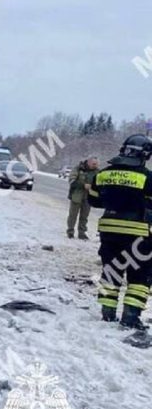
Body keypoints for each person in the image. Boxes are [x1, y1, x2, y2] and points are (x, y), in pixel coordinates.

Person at [87, 135, 152, 330]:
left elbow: (94, 201)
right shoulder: (147, 177)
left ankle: (107, 314)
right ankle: (130, 317)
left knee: (111, 271)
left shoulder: (103, 174)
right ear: (145, 155)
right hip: (138, 234)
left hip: (108, 231)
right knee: (140, 276)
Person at [66, 156, 99, 239]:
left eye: (96, 164)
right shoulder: (77, 169)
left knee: (84, 217)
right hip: (76, 196)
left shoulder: (97, 172)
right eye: (94, 164)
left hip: (88, 197)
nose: (95, 166)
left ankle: (82, 232)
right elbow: (71, 181)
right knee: (72, 215)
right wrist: (83, 185)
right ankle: (70, 231)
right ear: (88, 162)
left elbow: (99, 184)